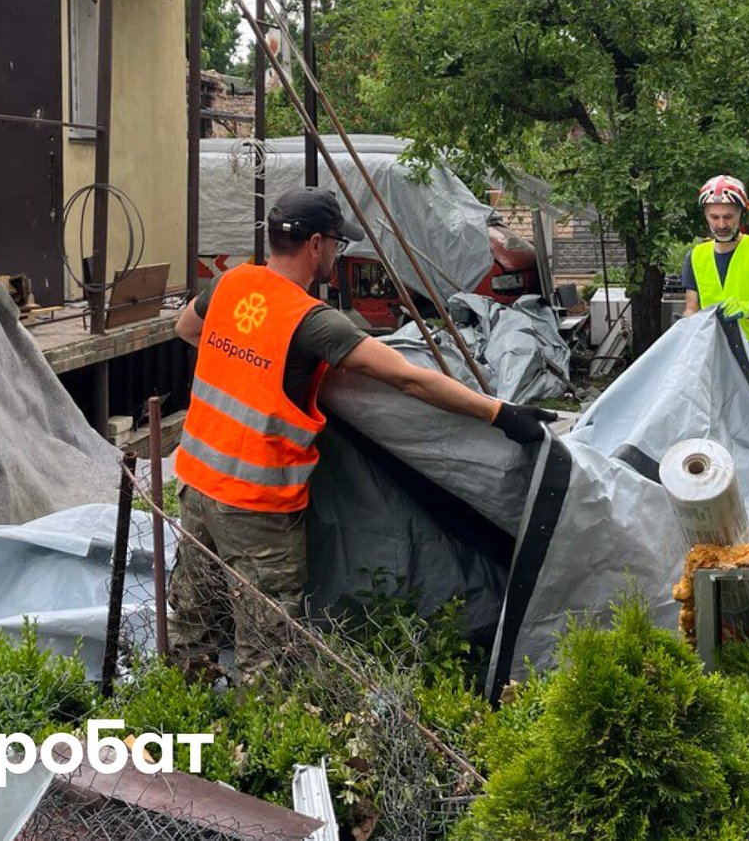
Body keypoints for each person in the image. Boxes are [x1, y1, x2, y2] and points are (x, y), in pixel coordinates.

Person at [169, 186, 556, 679]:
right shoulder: (310, 322)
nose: (338, 252)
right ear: (314, 246)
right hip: (255, 504)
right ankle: (257, 745)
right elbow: (408, 377)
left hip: (195, 482)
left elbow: (187, 329)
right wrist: (499, 413)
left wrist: (246, 361)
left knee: (195, 619)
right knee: (268, 645)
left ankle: (177, 721)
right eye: (336, 243)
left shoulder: (230, 285)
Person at [680, 174, 749, 404]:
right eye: (715, 217)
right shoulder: (696, 257)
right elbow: (691, 308)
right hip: (710, 364)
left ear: (740, 213)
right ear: (706, 216)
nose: (721, 224)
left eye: (728, 217)